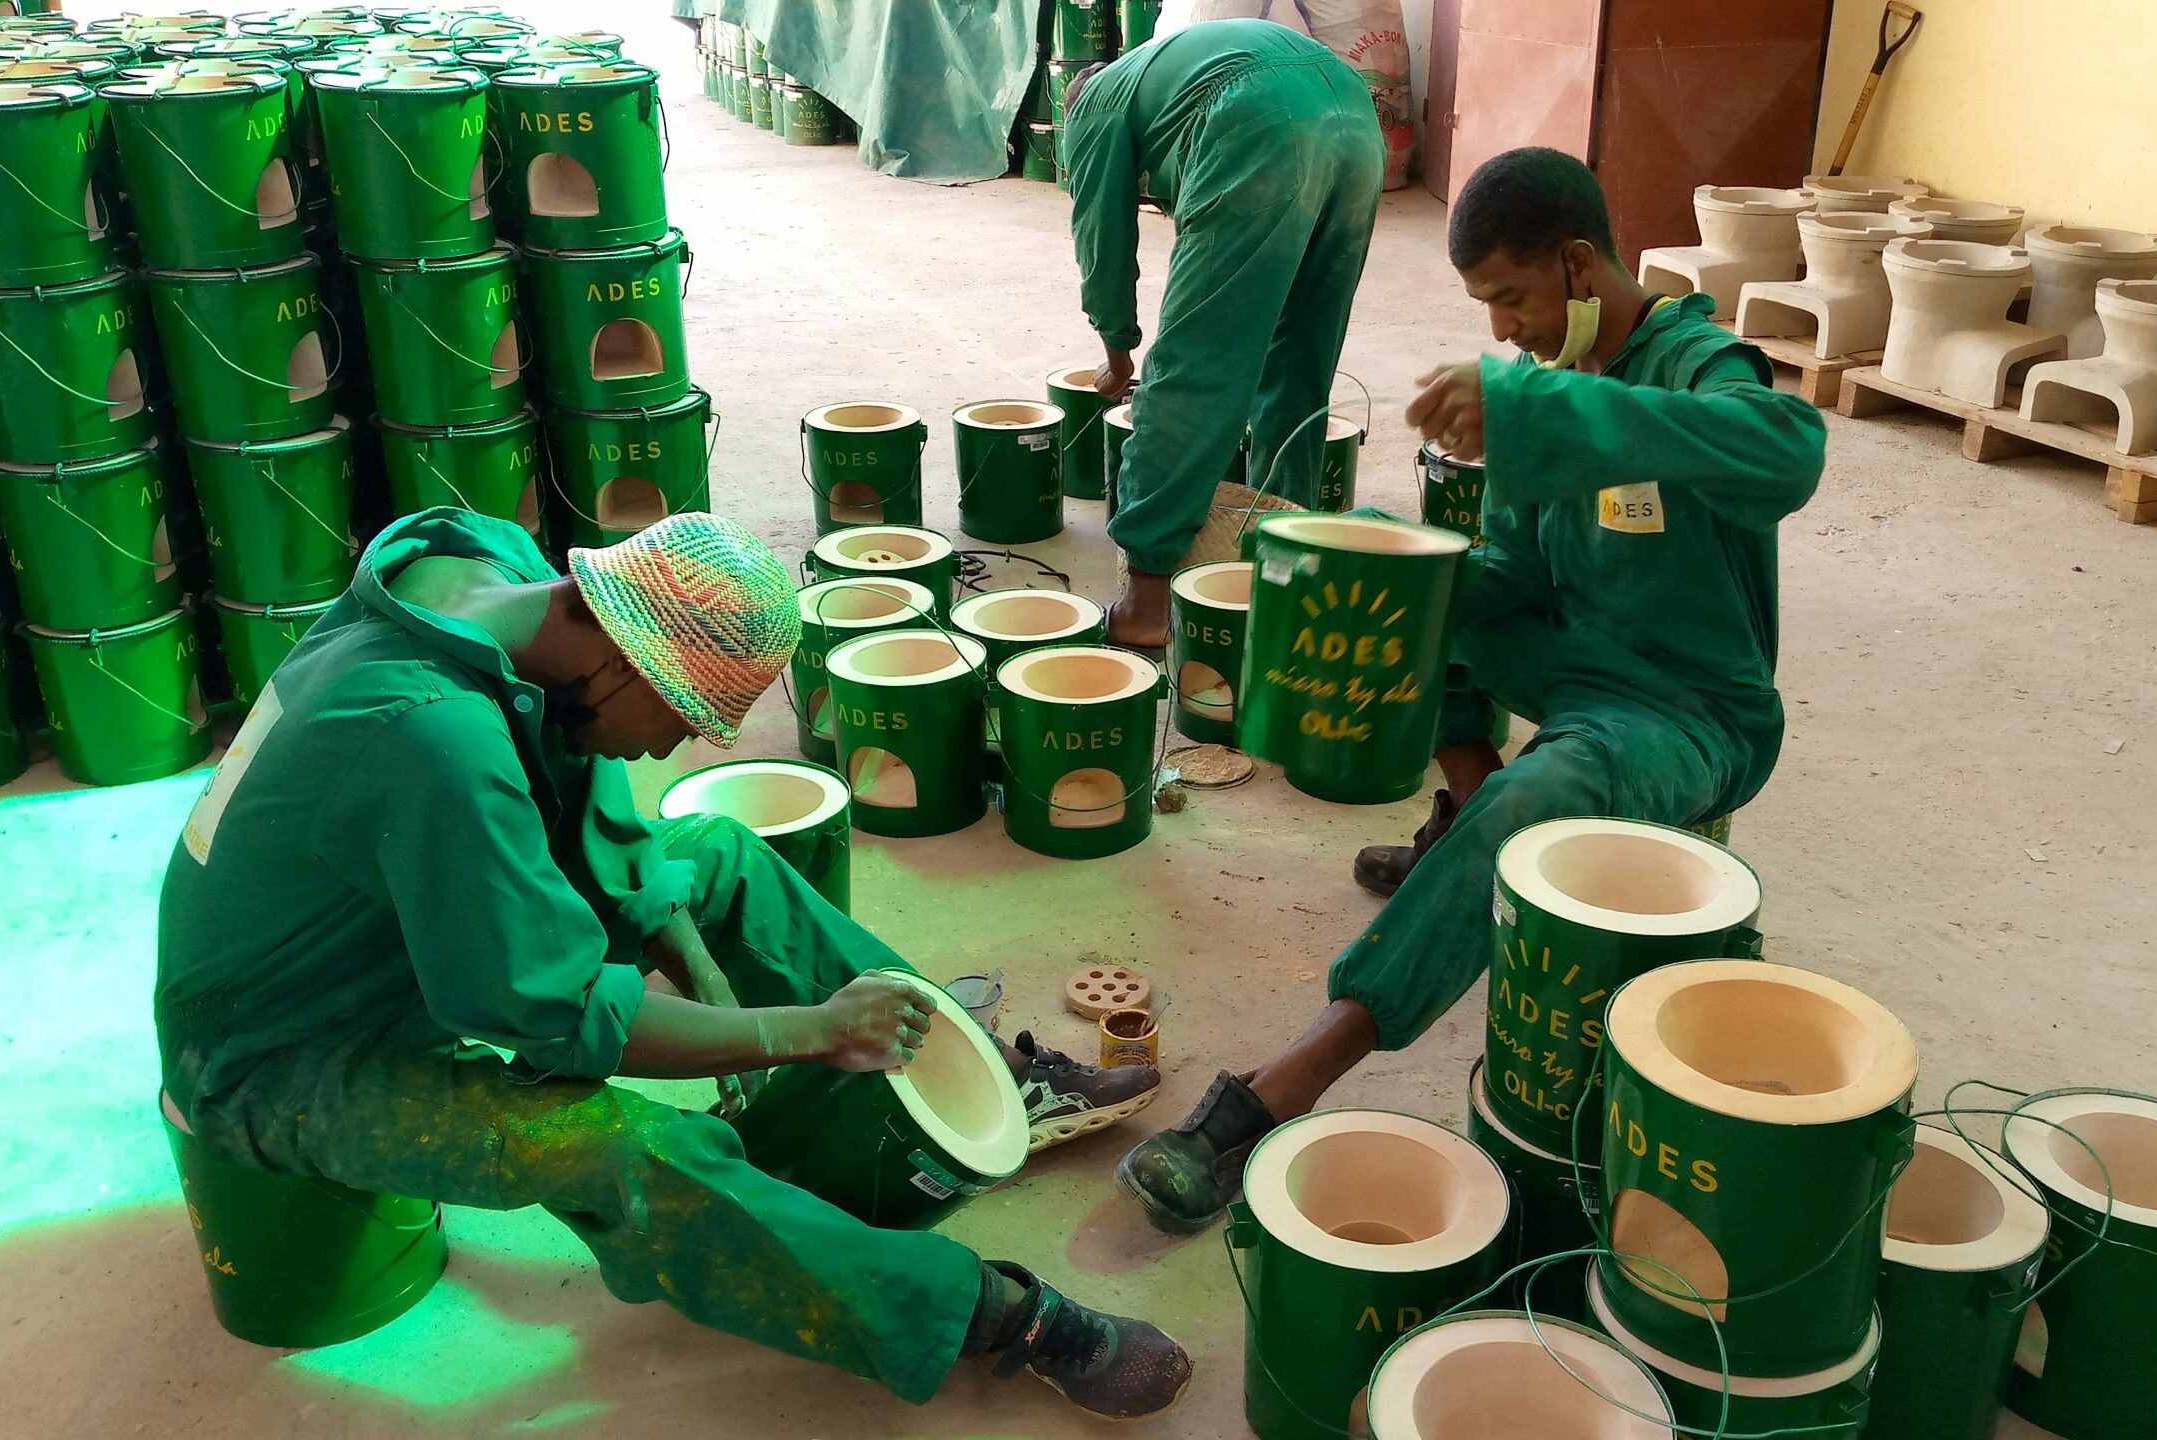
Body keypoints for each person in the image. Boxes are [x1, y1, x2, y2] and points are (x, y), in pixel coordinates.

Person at [155, 509, 1187, 1417]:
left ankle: (973, 1077)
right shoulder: (428, 736)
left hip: (384, 931)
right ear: (615, 655)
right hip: (275, 1056)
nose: (672, 749)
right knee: (613, 1143)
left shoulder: (490, 576)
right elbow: (552, 1015)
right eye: (681, 720)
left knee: (722, 861)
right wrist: (796, 1032)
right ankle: (993, 1316)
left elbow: (594, 814)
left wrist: (713, 988)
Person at [1114, 147, 1828, 1233]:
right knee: (1415, 611)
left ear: (1580, 267)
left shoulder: (1694, 361)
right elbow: (1510, 583)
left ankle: (1286, 1081)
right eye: (1484, 307)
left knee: (1543, 797)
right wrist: (1373, 576)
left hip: (1688, 709)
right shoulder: (1543, 392)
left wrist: (1546, 418)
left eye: (1511, 298)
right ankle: (1468, 827)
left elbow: (1786, 456)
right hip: (1571, 656)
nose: (1502, 332)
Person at [1061, 17, 1384, 648]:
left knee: (1193, 370)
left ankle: (1147, 606)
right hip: (1355, 117)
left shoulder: (1093, 106)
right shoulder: (1164, 71)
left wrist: (1117, 351)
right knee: (1300, 364)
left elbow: (1101, 243)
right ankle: (1288, 567)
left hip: (1257, 121)